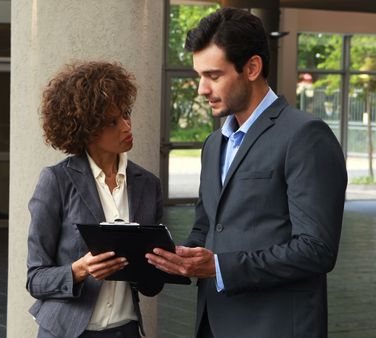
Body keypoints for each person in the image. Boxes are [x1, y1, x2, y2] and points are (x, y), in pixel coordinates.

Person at [146, 8, 347, 338]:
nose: (201, 89)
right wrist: (174, 256)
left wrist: (220, 267)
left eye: (213, 76)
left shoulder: (306, 136)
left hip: (275, 327)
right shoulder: (213, 144)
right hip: (212, 323)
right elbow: (207, 226)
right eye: (199, 76)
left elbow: (316, 249)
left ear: (252, 67)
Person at [26, 61, 164, 338]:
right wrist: (79, 270)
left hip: (126, 330)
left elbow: (152, 285)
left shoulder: (148, 185)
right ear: (86, 129)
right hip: (68, 332)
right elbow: (35, 279)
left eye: (126, 114)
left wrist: (160, 264)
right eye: (112, 121)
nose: (126, 125)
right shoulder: (56, 181)